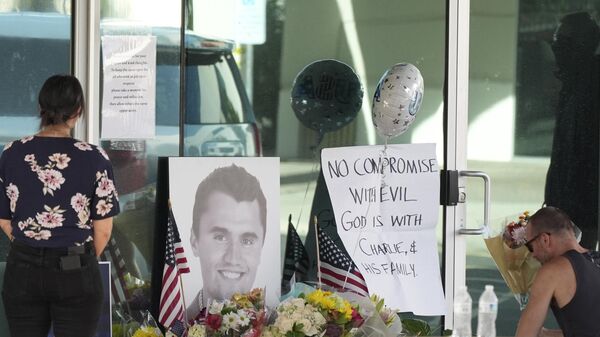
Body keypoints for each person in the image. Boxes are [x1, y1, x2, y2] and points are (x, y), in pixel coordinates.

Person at [0, 74, 120, 337]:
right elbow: (103, 231)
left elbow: (4, 218)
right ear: (78, 111)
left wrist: (31, 247)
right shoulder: (95, 158)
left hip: (23, 267)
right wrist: (78, 259)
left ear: (41, 108)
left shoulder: (11, 154)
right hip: (75, 267)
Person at [544, 11, 600, 250]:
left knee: (580, 264)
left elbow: (584, 149)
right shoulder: (573, 83)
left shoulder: (589, 85)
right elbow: (563, 150)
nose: (557, 47)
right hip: (570, 198)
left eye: (563, 41)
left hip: (585, 199)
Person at [185, 164, 266, 320]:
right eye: (220, 237)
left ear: (261, 247)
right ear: (195, 241)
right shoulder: (174, 327)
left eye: (247, 241)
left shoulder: (277, 325)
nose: (233, 258)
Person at [515, 206, 600, 337]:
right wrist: (546, 334)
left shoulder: (553, 271)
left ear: (545, 239)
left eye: (530, 247)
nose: (532, 255)